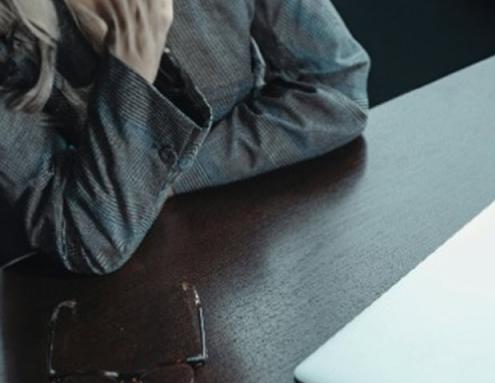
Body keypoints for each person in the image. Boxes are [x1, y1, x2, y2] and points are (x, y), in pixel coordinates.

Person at [0, 0, 370, 274]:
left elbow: (335, 89)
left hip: (248, 263)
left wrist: (172, 178)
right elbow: (86, 236)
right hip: (84, 323)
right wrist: (132, 64)